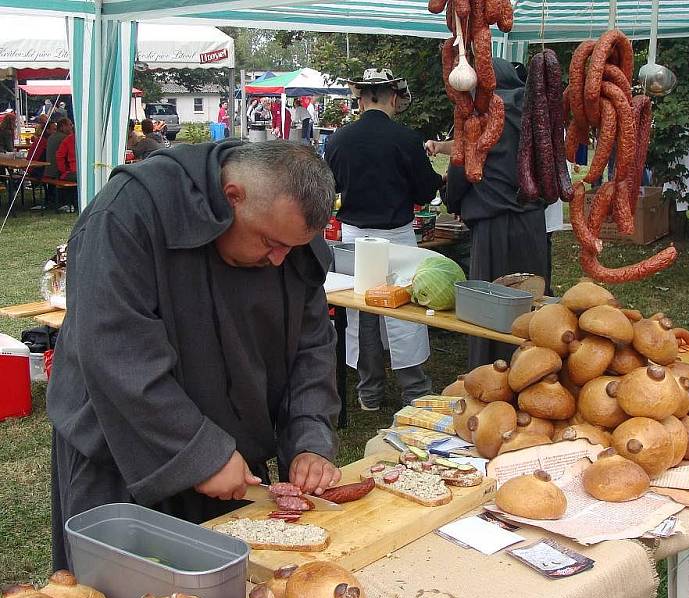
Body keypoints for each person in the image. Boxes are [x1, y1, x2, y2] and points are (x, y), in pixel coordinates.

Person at [47, 140, 342, 570]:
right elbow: (116, 352)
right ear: (231, 196)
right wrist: (199, 454)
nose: (279, 261)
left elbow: (312, 348)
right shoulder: (128, 212)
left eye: (292, 249)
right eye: (270, 242)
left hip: (233, 467)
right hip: (122, 459)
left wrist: (309, 440)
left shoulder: (285, 241)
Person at [325, 68, 441, 410]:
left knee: (364, 312)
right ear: (393, 97)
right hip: (397, 235)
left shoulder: (338, 140)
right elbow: (424, 189)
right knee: (405, 306)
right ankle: (414, 390)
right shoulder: (406, 139)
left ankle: (369, 391)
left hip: (355, 235)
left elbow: (331, 186)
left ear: (360, 99)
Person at [426, 58, 549, 369]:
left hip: (491, 225)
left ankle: (490, 370)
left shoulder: (477, 114)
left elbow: (459, 168)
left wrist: (453, 201)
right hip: (532, 223)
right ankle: (534, 369)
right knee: (532, 301)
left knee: (490, 305)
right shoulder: (536, 115)